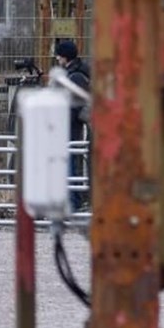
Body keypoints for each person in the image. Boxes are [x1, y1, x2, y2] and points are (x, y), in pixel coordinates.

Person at [54, 39, 91, 211]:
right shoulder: (77, 72)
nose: (57, 59)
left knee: (71, 163)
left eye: (59, 55)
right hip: (71, 124)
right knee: (70, 162)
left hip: (71, 125)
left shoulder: (75, 76)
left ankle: (74, 203)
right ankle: (73, 201)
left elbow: (76, 103)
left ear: (65, 57)